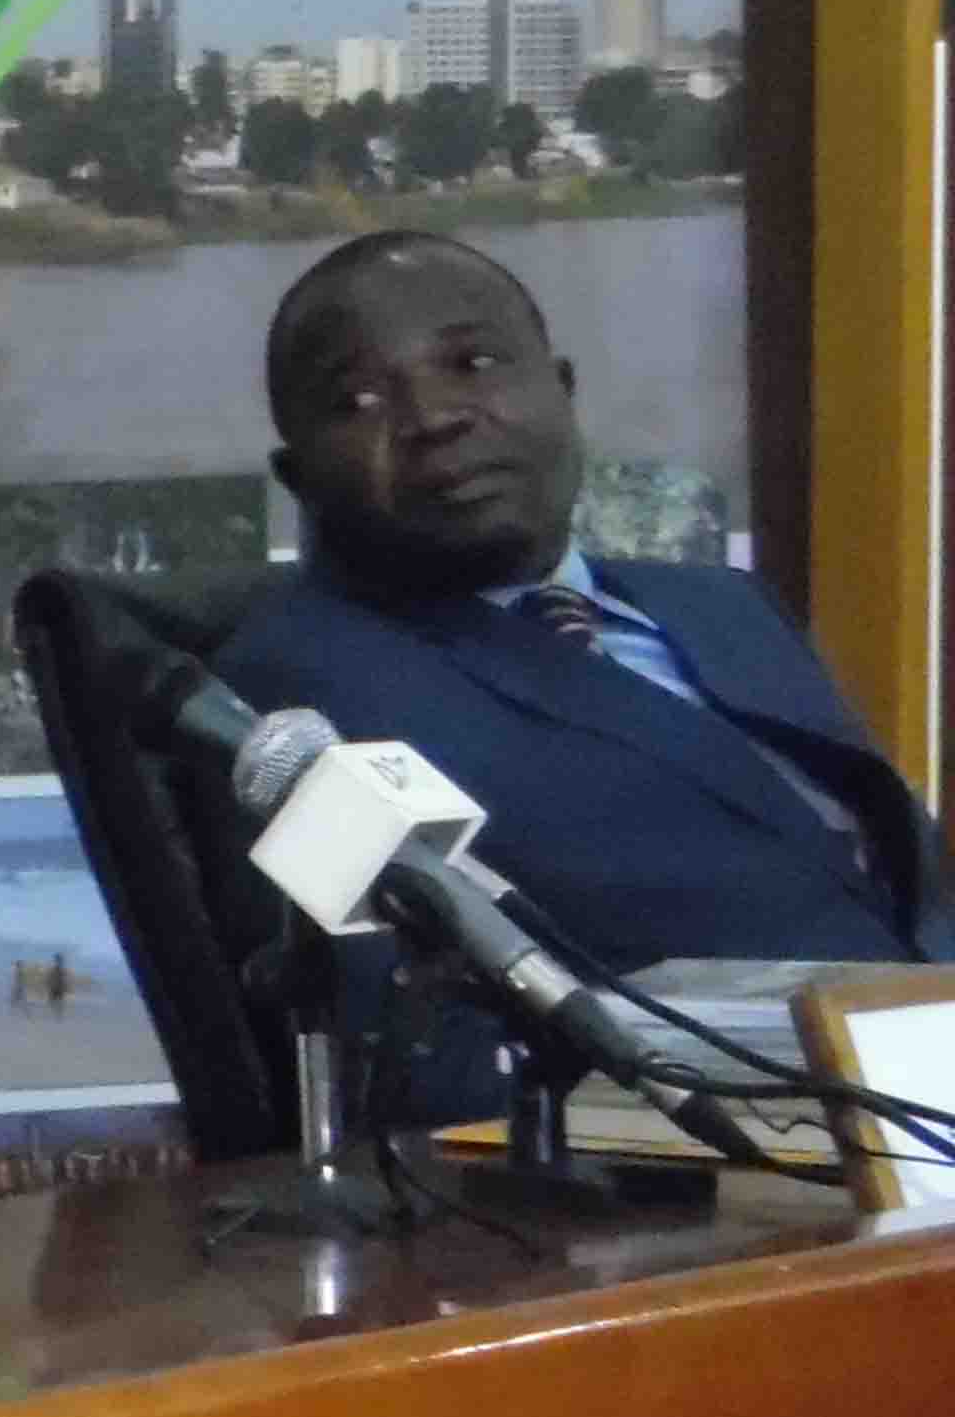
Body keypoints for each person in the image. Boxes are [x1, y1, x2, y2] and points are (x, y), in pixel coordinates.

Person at [218, 230, 949, 975]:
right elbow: (395, 1022)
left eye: (473, 364)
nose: (434, 418)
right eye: (359, 400)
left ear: (563, 390)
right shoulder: (292, 700)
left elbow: (902, 874)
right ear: (298, 477)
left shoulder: (723, 602)